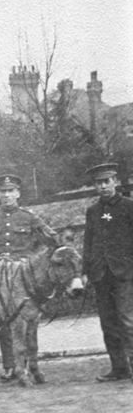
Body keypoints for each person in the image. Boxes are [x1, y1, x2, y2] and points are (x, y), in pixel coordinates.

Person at [0, 174, 58, 380]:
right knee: (4, 320)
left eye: (10, 191)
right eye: (3, 192)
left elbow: (50, 238)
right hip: (0, 275)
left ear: (18, 193)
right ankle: (9, 365)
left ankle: (30, 364)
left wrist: (34, 259)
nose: (6, 195)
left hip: (24, 276)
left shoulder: (29, 217)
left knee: (28, 321)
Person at [82, 163, 133, 382]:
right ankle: (119, 368)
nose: (102, 186)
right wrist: (85, 271)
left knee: (126, 318)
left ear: (116, 182)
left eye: (106, 181)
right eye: (98, 183)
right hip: (101, 274)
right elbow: (88, 242)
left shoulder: (128, 207)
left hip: (125, 273)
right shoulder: (93, 211)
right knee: (107, 321)